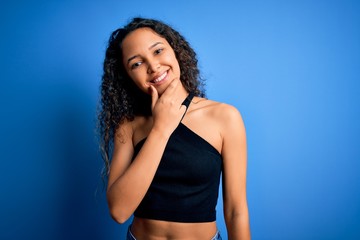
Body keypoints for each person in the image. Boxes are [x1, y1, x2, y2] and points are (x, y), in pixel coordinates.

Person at [98, 17, 250, 240]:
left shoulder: (225, 117)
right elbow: (119, 211)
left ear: (176, 50)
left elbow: (236, 211)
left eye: (158, 51)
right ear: (127, 76)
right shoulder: (129, 125)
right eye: (136, 63)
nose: (153, 66)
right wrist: (161, 129)